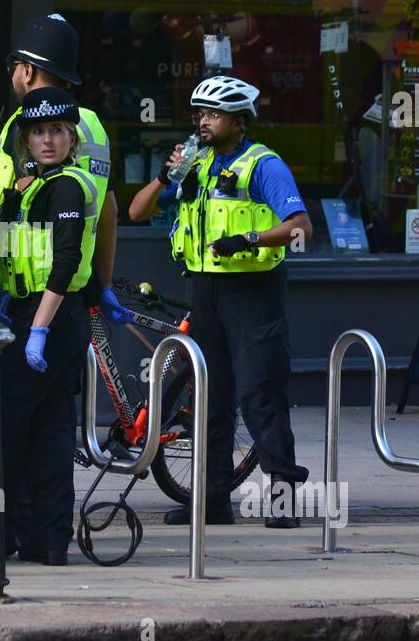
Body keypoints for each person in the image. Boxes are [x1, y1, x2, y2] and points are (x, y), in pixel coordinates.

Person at [129, 75, 312, 528]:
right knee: (210, 398)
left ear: (239, 120)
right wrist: (165, 176)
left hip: (254, 293)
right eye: (200, 114)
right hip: (205, 291)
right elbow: (136, 211)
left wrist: (249, 239)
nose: (203, 122)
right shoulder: (197, 163)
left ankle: (284, 500)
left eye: (214, 114)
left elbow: (301, 228)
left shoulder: (263, 165)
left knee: (261, 395)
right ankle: (212, 501)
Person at [0, 87, 100, 565]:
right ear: (26, 141)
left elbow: (66, 260)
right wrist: (1, 286)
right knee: (51, 429)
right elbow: (33, 250)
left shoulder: (66, 187)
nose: (48, 140)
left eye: (57, 131)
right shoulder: (37, 186)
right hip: (49, 312)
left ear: (72, 138)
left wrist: (38, 330)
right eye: (38, 132)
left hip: (48, 316)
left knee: (10, 429)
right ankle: (48, 540)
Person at [0, 13, 128, 321]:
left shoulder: (24, 126)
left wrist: (2, 280)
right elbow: (108, 211)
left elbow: (19, 212)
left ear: (27, 70)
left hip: (34, 294)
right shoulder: (91, 125)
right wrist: (102, 285)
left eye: (13, 67)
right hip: (76, 289)